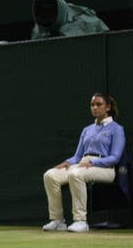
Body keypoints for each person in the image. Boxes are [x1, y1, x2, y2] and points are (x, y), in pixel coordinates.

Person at [42, 92, 126, 233]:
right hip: (82, 164)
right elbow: (77, 156)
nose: (94, 107)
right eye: (92, 105)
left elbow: (115, 157)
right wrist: (67, 162)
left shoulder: (117, 129)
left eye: (98, 104)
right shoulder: (87, 129)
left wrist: (93, 162)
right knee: (50, 175)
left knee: (75, 174)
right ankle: (57, 220)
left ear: (108, 107)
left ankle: (81, 221)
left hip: (105, 168)